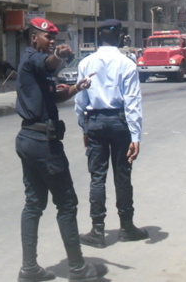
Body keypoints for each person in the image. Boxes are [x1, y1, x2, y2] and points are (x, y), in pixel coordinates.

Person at [15, 17, 107, 282]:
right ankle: (78, 268)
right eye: (49, 38)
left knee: (34, 203)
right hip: (43, 143)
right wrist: (57, 54)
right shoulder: (34, 58)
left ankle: (29, 268)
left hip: (29, 139)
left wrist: (77, 87)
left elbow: (54, 95)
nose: (53, 43)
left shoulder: (35, 68)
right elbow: (49, 61)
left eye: (55, 40)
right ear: (34, 37)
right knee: (67, 203)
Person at [74, 19, 148, 248]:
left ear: (99, 38)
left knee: (97, 177)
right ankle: (126, 227)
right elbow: (132, 101)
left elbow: (80, 99)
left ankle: (97, 231)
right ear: (119, 38)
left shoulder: (86, 62)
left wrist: (84, 127)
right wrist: (135, 136)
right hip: (119, 122)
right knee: (122, 175)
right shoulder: (126, 64)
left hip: (95, 121)